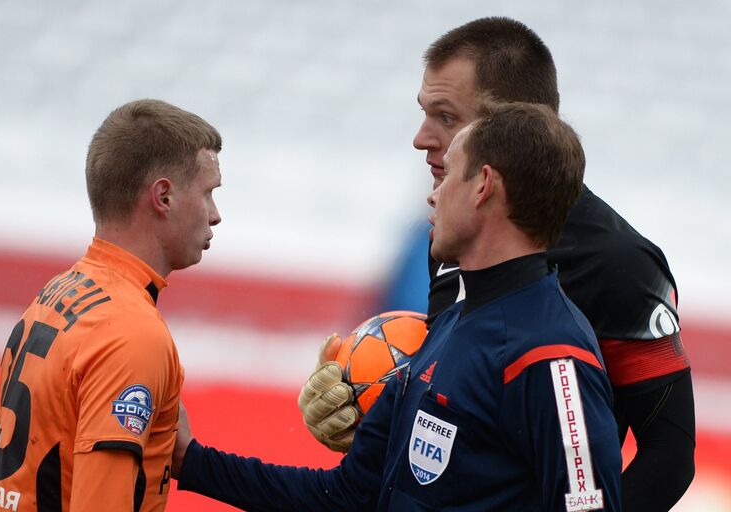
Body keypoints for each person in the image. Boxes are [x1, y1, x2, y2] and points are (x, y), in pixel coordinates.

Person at [298, 17, 695, 511]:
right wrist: (365, 405)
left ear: (510, 127)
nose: (421, 138)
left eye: (445, 117)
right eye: (424, 114)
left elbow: (670, 456)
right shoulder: (455, 233)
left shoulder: (622, 264)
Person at [174, 101, 623, 511]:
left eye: (447, 176)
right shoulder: (449, 324)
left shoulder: (552, 357)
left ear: (483, 185)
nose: (433, 195)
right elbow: (346, 497)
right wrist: (192, 462)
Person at [0, 99, 223, 512]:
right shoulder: (132, 334)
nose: (215, 215)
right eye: (208, 193)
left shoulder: (56, 294)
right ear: (164, 196)